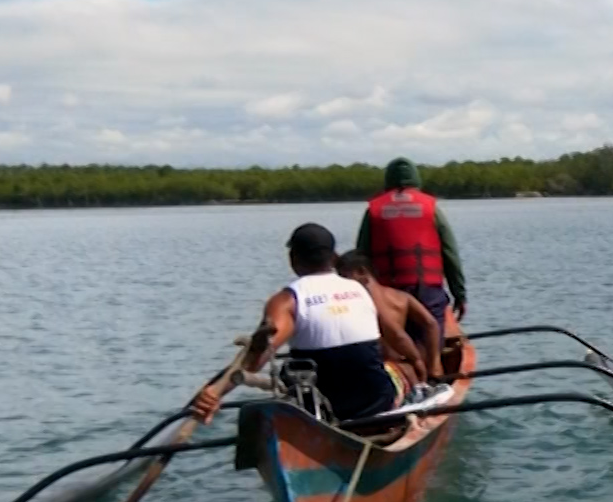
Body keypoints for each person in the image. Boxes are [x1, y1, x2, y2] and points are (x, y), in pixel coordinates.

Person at [188, 223, 404, 425]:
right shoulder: (361, 290)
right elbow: (393, 339)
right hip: (375, 403)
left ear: (293, 259)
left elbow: (255, 360)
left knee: (292, 374)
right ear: (335, 258)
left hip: (320, 409)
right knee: (394, 372)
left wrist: (213, 392)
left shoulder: (288, 300)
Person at [356, 158, 467, 330]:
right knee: (431, 341)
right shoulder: (431, 208)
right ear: (416, 180)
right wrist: (459, 294)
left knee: (394, 345)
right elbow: (450, 253)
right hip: (427, 292)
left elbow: (360, 258)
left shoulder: (373, 210)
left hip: (387, 295)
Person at [337, 250, 444, 384]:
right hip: (407, 366)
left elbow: (396, 334)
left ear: (361, 271)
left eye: (344, 276)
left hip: (389, 369)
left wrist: (417, 361)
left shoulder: (363, 301)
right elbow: (431, 324)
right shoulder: (402, 297)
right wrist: (434, 363)